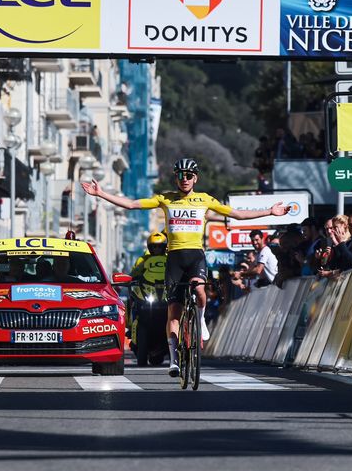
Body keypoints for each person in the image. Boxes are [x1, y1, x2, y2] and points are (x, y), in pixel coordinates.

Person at [81, 157, 291, 378]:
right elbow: (133, 204)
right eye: (180, 175)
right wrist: (101, 194)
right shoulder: (166, 199)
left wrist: (269, 212)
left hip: (195, 257)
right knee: (173, 313)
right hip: (174, 259)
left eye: (188, 176)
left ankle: (199, 320)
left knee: (200, 290)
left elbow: (237, 215)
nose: (184, 179)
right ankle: (173, 360)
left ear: (195, 178)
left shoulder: (204, 200)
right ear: (176, 178)